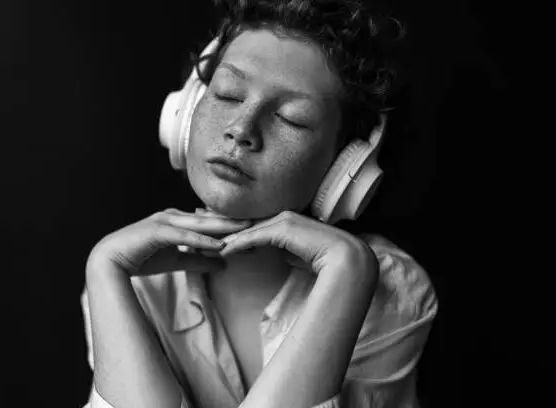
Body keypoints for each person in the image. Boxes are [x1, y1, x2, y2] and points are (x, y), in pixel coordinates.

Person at [80, 0, 438, 407]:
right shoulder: (132, 282)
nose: (241, 130)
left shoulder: (388, 290)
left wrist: (348, 274)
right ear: (186, 110)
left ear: (343, 168)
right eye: (228, 95)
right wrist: (103, 268)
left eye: (292, 118)